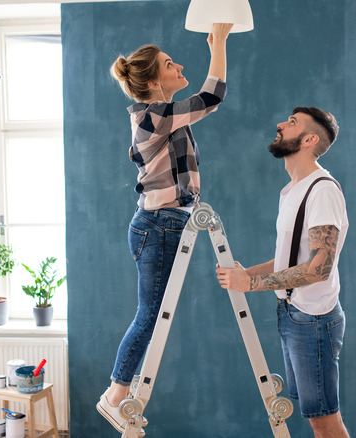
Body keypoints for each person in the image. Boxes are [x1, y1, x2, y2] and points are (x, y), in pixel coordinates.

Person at [97, 23, 234, 435]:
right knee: (150, 314)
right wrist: (220, 43)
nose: (179, 66)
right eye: (170, 65)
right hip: (157, 226)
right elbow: (212, 97)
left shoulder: (166, 117)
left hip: (168, 224)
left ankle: (121, 389)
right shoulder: (153, 116)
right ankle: (115, 394)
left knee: (154, 313)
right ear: (155, 81)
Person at [216, 107, 350, 438]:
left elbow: (320, 267)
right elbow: (290, 260)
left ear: (310, 139)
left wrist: (252, 283)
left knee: (324, 422)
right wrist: (248, 275)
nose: (280, 124)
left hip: (313, 320)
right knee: (315, 418)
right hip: (293, 315)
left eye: (291, 123)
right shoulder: (294, 190)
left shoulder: (322, 190)